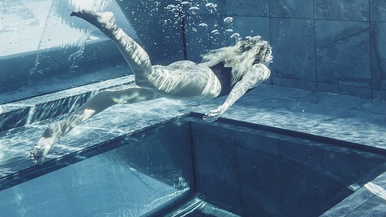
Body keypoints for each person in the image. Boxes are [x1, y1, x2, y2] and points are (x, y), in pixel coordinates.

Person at [30, 10, 272, 163]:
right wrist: (225, 107)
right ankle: (111, 28)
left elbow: (211, 70)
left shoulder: (229, 55)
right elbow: (242, 86)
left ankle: (58, 129)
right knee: (147, 78)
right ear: (264, 55)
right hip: (205, 83)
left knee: (111, 96)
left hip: (193, 69)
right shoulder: (262, 68)